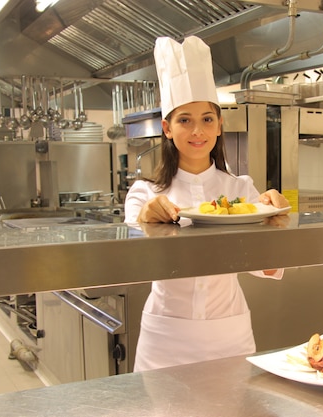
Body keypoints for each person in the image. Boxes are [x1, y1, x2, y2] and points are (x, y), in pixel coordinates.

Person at [124, 36, 290, 372]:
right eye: (185, 120)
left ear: (219, 125)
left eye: (207, 119)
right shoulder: (145, 192)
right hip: (165, 338)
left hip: (229, 335)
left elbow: (267, 268)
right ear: (167, 129)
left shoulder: (240, 189)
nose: (197, 130)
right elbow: (131, 264)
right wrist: (147, 222)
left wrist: (278, 223)